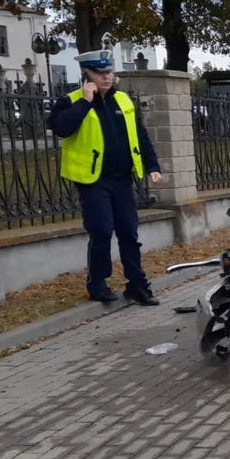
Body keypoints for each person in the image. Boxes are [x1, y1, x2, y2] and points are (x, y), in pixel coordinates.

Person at [48, 50, 163, 305]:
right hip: (93, 180)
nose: (106, 77)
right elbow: (61, 129)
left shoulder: (122, 100)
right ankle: (97, 284)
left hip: (122, 178)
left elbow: (140, 135)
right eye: (99, 73)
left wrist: (152, 165)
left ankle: (137, 285)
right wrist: (85, 102)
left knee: (129, 233)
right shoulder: (71, 101)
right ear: (86, 74)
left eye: (108, 72)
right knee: (101, 231)